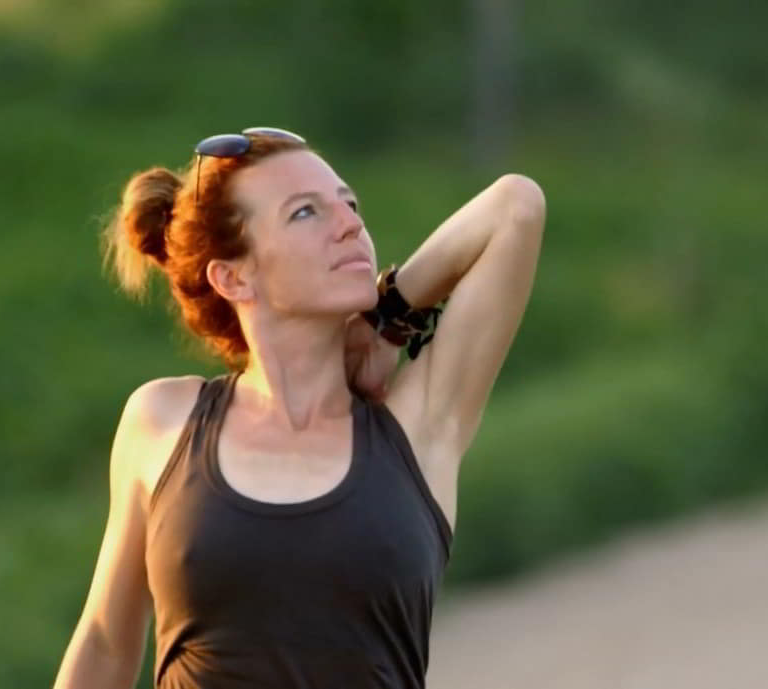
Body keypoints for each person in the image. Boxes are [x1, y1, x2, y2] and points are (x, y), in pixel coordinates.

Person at [52, 127, 545, 689]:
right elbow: (105, 642)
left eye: (349, 204)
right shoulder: (165, 420)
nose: (350, 225)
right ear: (233, 276)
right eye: (306, 212)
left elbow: (515, 207)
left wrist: (387, 318)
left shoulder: (416, 428)